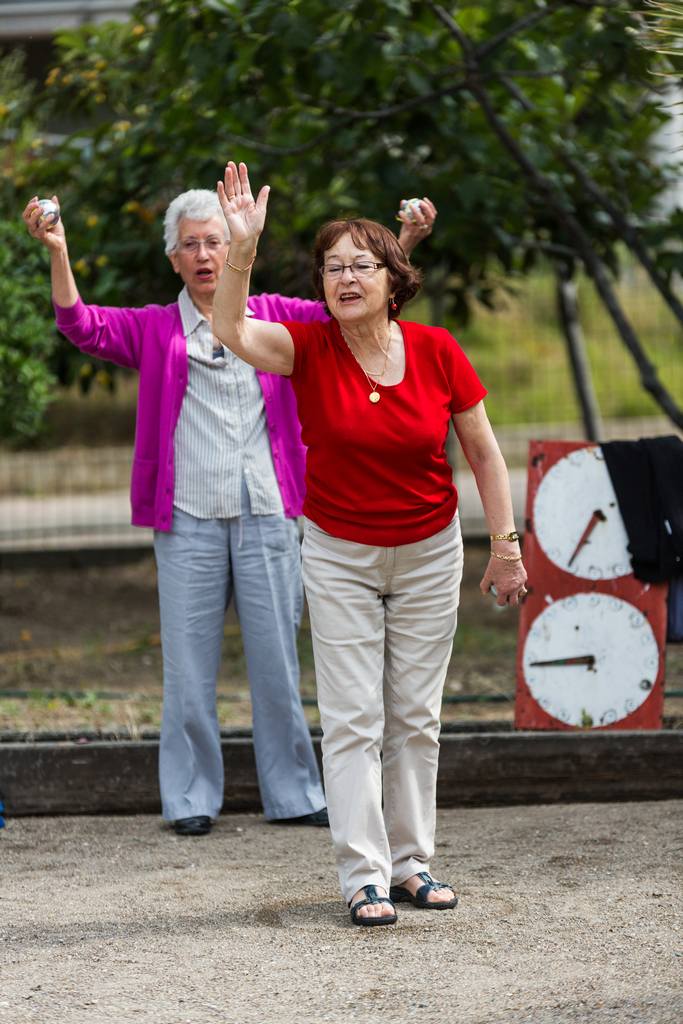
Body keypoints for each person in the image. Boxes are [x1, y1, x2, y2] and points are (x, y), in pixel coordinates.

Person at [22, 183, 436, 839]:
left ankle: (293, 791)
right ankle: (189, 796)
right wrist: (58, 250)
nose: (204, 254)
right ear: (174, 259)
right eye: (190, 245)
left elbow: (350, 312)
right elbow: (81, 324)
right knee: (187, 672)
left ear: (234, 245)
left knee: (278, 665)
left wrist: (403, 243)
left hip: (268, 514)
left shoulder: (275, 316)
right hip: (187, 519)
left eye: (214, 241)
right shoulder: (155, 327)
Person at [212, 161, 527, 925]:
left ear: (393, 280)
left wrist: (506, 545)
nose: (345, 278)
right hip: (338, 552)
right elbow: (229, 329)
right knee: (353, 718)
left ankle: (412, 863)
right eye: (332, 267)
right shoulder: (306, 348)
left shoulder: (438, 349)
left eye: (360, 265)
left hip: (428, 551)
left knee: (415, 716)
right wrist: (241, 248)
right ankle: (363, 875)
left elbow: (484, 454)